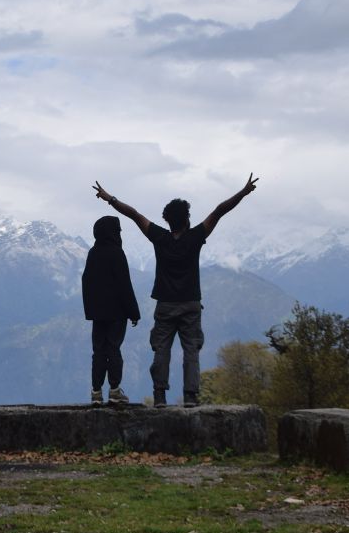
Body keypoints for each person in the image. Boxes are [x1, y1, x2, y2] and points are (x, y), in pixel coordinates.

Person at [92, 174, 258, 407]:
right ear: (187, 219)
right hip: (191, 304)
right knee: (191, 350)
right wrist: (243, 192)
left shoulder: (160, 237)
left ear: (167, 220)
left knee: (161, 350)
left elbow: (134, 215)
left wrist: (110, 198)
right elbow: (219, 210)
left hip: (165, 305)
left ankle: (159, 395)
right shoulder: (196, 236)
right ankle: (191, 396)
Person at [81, 216, 141, 405]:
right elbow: (125, 285)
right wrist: (133, 312)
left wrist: (90, 310)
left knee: (98, 350)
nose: (120, 233)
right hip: (117, 314)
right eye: (118, 230)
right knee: (113, 349)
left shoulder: (93, 253)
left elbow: (86, 281)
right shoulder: (117, 253)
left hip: (98, 314)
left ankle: (96, 393)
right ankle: (115, 391)